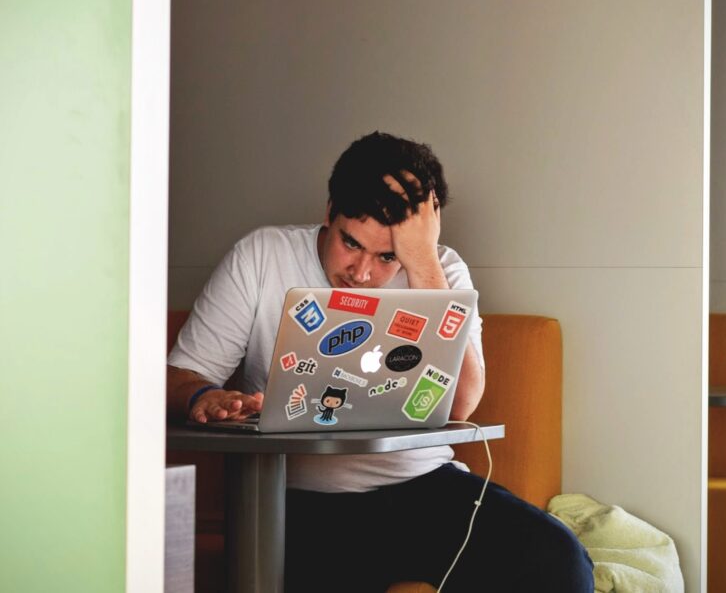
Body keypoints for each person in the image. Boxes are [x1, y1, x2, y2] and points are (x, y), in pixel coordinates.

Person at [165, 132, 593, 592]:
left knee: (560, 562)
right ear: (330, 211)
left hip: (423, 486)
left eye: (387, 256)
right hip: (298, 500)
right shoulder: (262, 256)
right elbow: (178, 377)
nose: (362, 273)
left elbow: (462, 404)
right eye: (351, 244)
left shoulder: (441, 270)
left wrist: (422, 262)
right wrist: (206, 397)